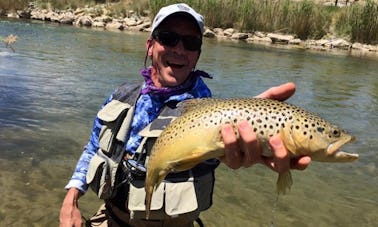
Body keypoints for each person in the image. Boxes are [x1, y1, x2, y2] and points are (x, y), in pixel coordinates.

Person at [59, 3, 311, 227]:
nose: (179, 49)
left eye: (191, 43)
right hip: (110, 218)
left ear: (197, 55)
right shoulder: (121, 95)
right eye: (168, 38)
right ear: (150, 45)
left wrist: (251, 118)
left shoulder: (208, 110)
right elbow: (94, 147)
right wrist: (71, 199)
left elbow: (215, 149)